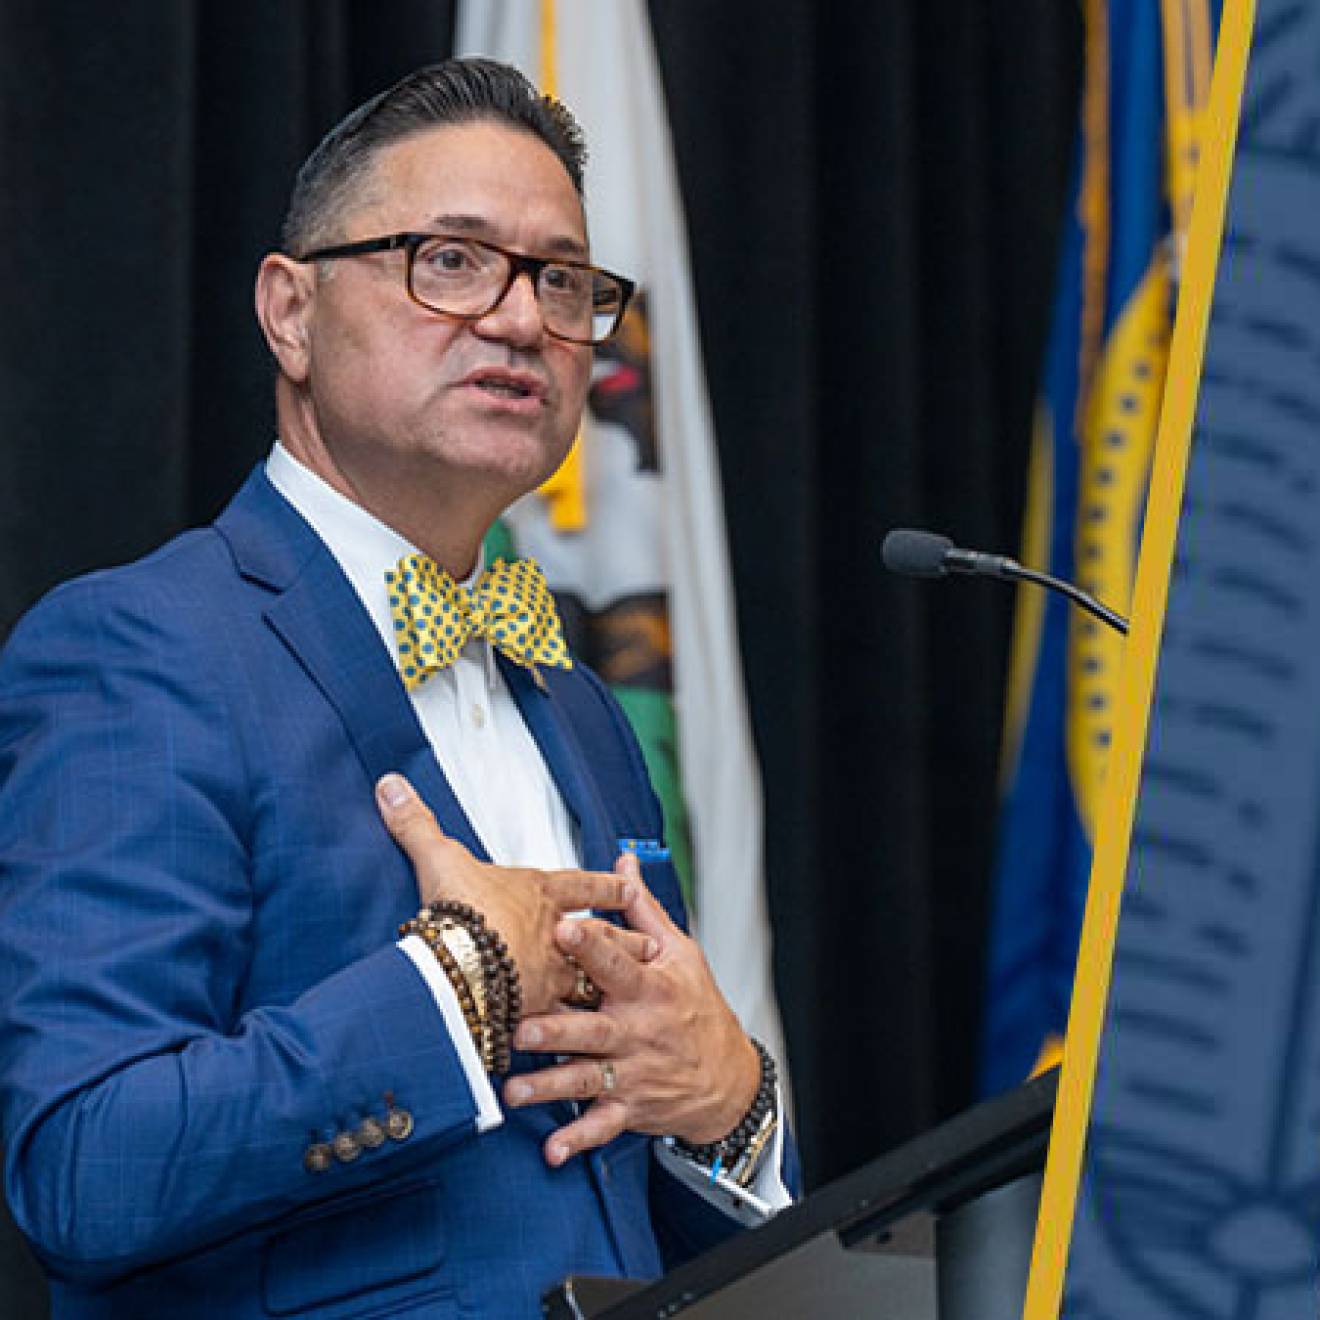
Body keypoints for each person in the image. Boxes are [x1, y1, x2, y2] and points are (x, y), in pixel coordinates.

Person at [0, 59, 796, 1319]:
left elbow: (621, 1193)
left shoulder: (584, 710)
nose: (525, 322)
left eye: (564, 281)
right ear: (290, 311)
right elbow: (85, 1167)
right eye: (451, 259)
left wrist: (730, 1110)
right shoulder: (141, 646)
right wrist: (459, 989)